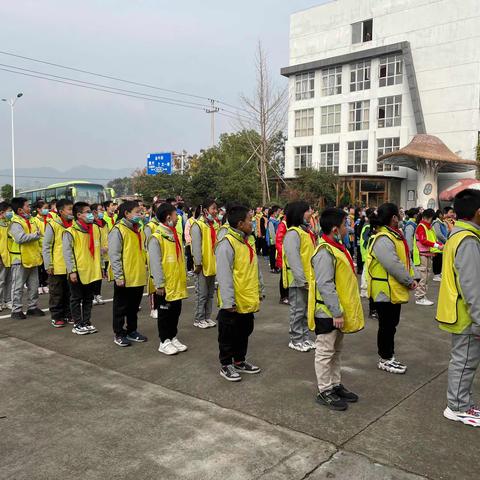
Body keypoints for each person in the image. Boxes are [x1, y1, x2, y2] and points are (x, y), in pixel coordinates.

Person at [308, 207, 364, 411]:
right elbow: (325, 284)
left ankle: (335, 384)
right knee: (325, 351)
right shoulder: (324, 252)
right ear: (334, 229)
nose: (347, 228)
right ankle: (324, 390)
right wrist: (336, 312)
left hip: (339, 311)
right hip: (328, 313)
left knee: (336, 351)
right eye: (344, 225)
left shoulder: (337, 247)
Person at [436, 189, 480, 427]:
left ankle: (461, 403)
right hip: (466, 315)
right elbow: (473, 286)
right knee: (464, 362)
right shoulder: (468, 240)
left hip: (461, 312)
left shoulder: (457, 235)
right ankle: (458, 407)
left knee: (462, 360)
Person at [215, 205, 264, 381]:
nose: (253, 224)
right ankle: (226, 364)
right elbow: (224, 274)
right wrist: (228, 301)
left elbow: (254, 267)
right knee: (228, 333)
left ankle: (239, 361)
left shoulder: (247, 240)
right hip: (233, 300)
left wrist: (259, 289)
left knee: (245, 330)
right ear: (240, 223)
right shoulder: (227, 243)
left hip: (247, 296)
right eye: (250, 220)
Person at [367, 203, 417, 374]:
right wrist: (408, 280)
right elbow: (393, 264)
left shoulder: (393, 235)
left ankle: (389, 356)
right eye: (399, 214)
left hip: (392, 290)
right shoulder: (383, 238)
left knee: (391, 324)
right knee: (387, 325)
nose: (402, 216)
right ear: (394, 217)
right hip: (384, 291)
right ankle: (385, 358)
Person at [148, 203, 188, 355]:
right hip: (165, 284)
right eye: (175, 215)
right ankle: (164, 341)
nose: (177, 218)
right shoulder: (156, 238)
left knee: (175, 312)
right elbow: (155, 263)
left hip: (176, 282)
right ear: (168, 218)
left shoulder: (174, 235)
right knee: (165, 314)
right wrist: (159, 284)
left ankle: (172, 336)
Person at [108, 200, 148, 347]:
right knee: (120, 307)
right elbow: (114, 255)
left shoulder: (138, 229)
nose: (140, 214)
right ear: (126, 213)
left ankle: (132, 331)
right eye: (137, 212)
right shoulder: (118, 230)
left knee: (133, 307)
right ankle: (119, 333)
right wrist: (118, 276)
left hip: (137, 275)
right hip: (124, 277)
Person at [63, 202, 102, 335]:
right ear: (79, 215)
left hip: (91, 270)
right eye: (87, 212)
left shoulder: (94, 229)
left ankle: (86, 321)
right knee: (76, 298)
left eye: (91, 211)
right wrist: (72, 271)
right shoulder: (70, 232)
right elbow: (68, 253)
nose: (91, 214)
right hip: (78, 270)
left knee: (88, 298)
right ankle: (77, 323)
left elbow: (97, 249)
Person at [283, 201, 317, 352]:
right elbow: (294, 258)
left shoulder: (305, 232)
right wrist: (301, 279)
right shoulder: (293, 233)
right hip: (298, 281)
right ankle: (296, 339)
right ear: (299, 213)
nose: (311, 213)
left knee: (304, 311)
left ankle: (304, 337)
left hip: (306, 279)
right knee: (297, 310)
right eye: (308, 210)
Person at [8, 197, 44, 320]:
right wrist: (36, 235)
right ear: (20, 210)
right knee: (18, 287)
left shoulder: (31, 221)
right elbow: (20, 238)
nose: (30, 208)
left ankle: (32, 307)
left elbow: (39, 237)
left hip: (33, 258)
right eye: (27, 206)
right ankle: (16, 309)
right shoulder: (15, 223)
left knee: (34, 286)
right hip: (20, 260)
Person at [42, 199, 73, 328]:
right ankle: (56, 316)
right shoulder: (53, 224)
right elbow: (46, 246)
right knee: (57, 292)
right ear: (61, 211)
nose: (72, 211)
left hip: (70, 265)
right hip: (57, 265)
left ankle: (68, 313)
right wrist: (48, 264)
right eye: (69, 209)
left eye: (72, 209)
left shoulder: (73, 224)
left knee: (70, 292)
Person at [190, 199, 219, 329]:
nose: (216, 211)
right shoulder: (198, 225)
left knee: (210, 294)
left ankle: (207, 317)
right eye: (213, 208)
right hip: (202, 265)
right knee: (202, 294)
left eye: (216, 208)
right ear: (205, 210)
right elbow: (196, 246)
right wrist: (198, 263)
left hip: (212, 264)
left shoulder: (213, 225)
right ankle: (199, 318)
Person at [413, 209, 443, 306]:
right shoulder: (422, 227)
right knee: (423, 277)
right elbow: (423, 241)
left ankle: (422, 296)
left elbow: (432, 240)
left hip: (427, 255)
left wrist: (439, 245)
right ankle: (420, 297)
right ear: (430, 218)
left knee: (426, 277)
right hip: (422, 255)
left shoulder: (427, 227)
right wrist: (437, 246)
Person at [144, 202, 161, 318]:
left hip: (165, 258)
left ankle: (161, 306)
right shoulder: (150, 226)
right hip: (153, 257)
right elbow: (147, 245)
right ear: (154, 212)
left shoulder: (166, 224)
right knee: (153, 281)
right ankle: (153, 308)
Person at [91, 203, 108, 306]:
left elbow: (107, 236)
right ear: (94, 212)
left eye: (103, 210)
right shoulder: (91, 224)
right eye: (100, 210)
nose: (102, 211)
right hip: (94, 252)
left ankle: (98, 294)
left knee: (100, 274)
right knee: (93, 274)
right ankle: (92, 295)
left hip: (103, 253)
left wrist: (106, 247)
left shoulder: (104, 223)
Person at [32, 200, 50, 295]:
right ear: (38, 209)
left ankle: (44, 284)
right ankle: (39, 285)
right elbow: (37, 235)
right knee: (39, 269)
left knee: (46, 267)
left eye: (48, 208)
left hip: (47, 247)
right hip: (39, 248)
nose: (47, 210)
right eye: (45, 208)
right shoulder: (35, 220)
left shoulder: (49, 219)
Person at [275, 209, 289, 305]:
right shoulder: (283, 224)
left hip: (287, 255)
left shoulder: (288, 224)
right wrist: (283, 253)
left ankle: (286, 295)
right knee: (283, 277)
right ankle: (283, 297)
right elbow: (279, 241)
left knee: (287, 276)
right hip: (283, 256)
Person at [0, 202, 12, 312]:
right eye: (9, 211)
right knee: (1, 280)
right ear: (2, 212)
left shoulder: (8, 223)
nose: (10, 213)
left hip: (10, 257)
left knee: (9, 280)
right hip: (1, 257)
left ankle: (8, 301)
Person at [432, 209, 448, 282]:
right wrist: (446, 241)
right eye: (443, 214)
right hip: (439, 244)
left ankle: (438, 274)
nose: (444, 216)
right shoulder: (436, 223)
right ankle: (436, 275)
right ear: (439, 215)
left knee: (440, 259)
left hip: (442, 244)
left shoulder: (441, 223)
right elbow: (438, 234)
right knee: (437, 260)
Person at [266, 205, 281, 273]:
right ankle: (273, 268)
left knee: (274, 254)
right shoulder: (271, 221)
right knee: (272, 255)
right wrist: (276, 241)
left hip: (276, 241)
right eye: (278, 211)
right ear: (274, 212)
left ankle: (276, 267)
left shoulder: (275, 220)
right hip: (273, 242)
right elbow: (272, 233)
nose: (279, 213)